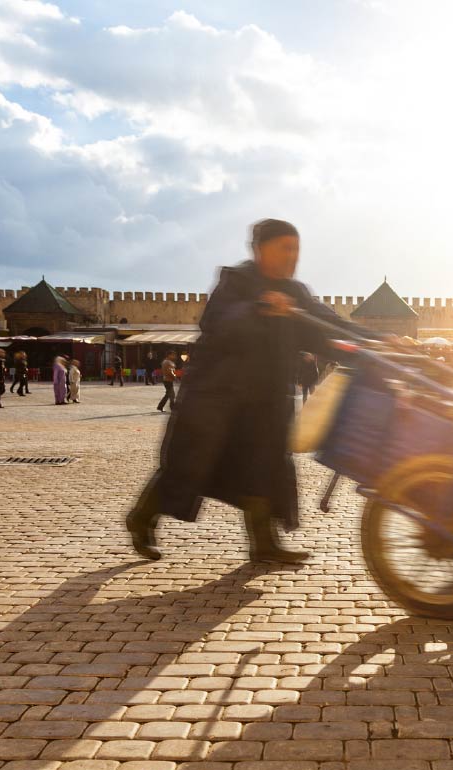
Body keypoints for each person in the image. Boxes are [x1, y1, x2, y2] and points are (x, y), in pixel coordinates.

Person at [126, 218, 377, 564]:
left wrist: (378, 341)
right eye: (284, 248)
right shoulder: (236, 282)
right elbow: (219, 320)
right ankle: (141, 518)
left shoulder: (296, 293)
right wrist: (260, 306)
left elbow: (331, 325)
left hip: (264, 403)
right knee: (189, 467)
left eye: (296, 249)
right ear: (259, 249)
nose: (292, 256)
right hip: (216, 399)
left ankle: (264, 544)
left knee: (264, 467)